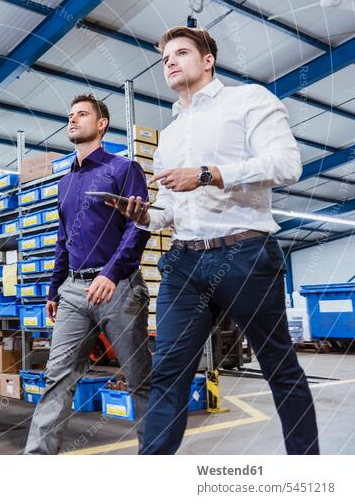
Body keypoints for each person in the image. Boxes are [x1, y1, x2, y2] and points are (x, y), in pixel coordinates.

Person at [108, 25, 319, 455]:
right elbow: (169, 210)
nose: (169, 61)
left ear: (208, 60)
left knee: (278, 366)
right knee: (167, 373)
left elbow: (287, 164)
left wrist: (208, 173)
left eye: (181, 52)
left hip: (244, 253)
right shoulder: (169, 134)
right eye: (165, 57)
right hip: (184, 262)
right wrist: (142, 214)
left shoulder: (248, 100)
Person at [24, 93, 152, 454]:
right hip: (74, 293)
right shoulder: (65, 184)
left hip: (120, 288)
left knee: (139, 378)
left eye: (82, 114)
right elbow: (64, 240)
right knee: (57, 379)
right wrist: (53, 290)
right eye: (70, 115)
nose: (73, 119)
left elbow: (139, 227)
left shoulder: (124, 169)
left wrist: (111, 273)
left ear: (102, 124)